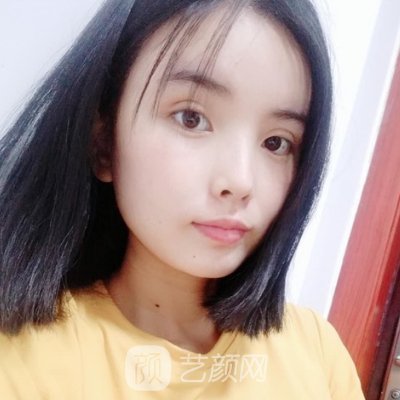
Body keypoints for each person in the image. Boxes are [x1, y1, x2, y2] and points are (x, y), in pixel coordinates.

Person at [0, 0, 365, 398]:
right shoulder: (24, 360)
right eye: (191, 118)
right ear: (103, 142)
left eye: (276, 143)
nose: (240, 181)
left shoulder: (316, 353)